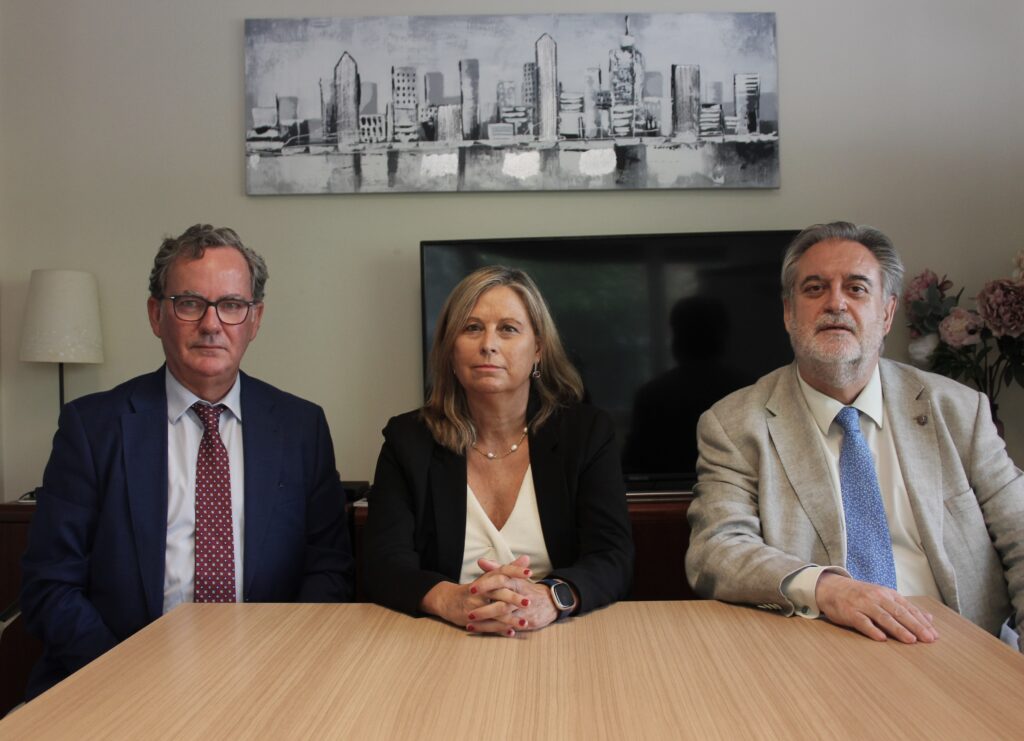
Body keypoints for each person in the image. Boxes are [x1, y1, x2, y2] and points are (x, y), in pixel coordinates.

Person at [20, 224, 354, 699]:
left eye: (232, 305)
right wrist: (127, 679)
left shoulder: (302, 428)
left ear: (255, 319)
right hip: (114, 681)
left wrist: (279, 665)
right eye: (190, 303)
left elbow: (329, 570)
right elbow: (50, 585)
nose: (212, 324)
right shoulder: (92, 428)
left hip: (266, 679)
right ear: (156, 314)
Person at [686, 221, 1024, 647]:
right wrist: (828, 589)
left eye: (857, 288)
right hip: (820, 652)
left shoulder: (959, 411)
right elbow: (717, 549)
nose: (836, 303)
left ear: (887, 313)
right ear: (789, 313)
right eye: (815, 289)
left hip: (960, 647)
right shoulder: (734, 424)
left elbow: (1020, 534)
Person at [364, 266, 634, 636]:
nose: (488, 344)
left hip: (558, 635)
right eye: (472, 328)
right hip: (442, 635)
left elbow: (612, 556)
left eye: (508, 329)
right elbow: (383, 562)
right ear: (449, 349)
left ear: (538, 349)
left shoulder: (585, 433)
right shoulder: (408, 439)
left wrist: (550, 597)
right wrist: (450, 599)